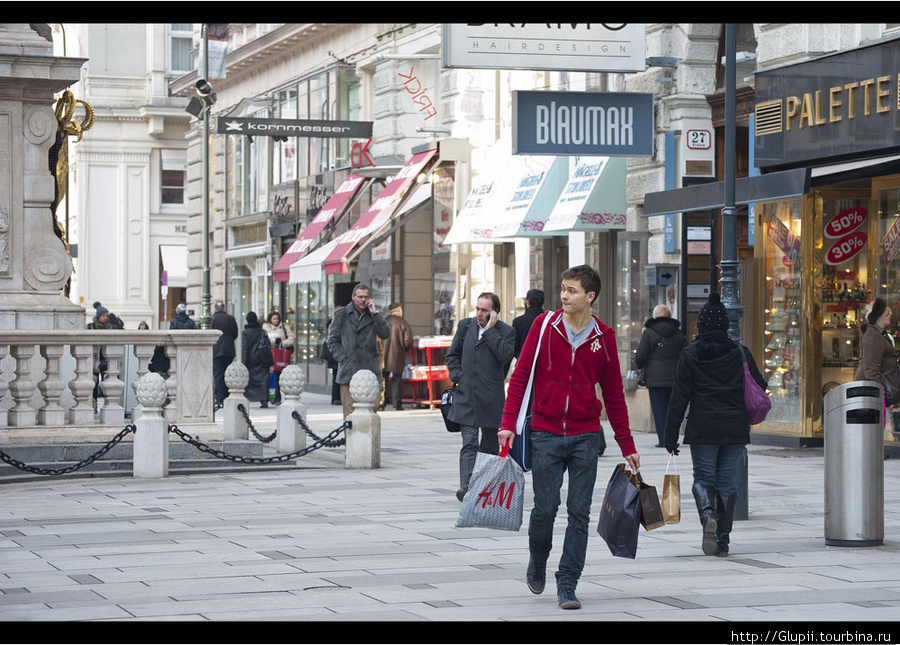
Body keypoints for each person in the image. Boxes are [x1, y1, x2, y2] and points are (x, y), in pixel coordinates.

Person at [498, 265, 640, 611]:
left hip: (585, 435)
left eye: (572, 290)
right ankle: (538, 557)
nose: (564, 296)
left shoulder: (603, 339)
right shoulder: (544, 327)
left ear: (590, 297)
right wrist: (507, 423)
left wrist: (627, 445)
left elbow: (615, 396)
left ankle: (568, 582)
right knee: (545, 509)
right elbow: (520, 377)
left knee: (579, 513)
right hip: (545, 432)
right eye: (563, 289)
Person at [664, 291, 766, 558]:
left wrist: (670, 434)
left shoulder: (691, 353)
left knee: (704, 478)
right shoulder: (739, 352)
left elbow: (678, 397)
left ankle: (708, 514)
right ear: (725, 325)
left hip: (703, 427)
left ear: (701, 325)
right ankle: (722, 540)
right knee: (726, 481)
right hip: (734, 427)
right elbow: (760, 385)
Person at [446, 292, 515, 502]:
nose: (478, 314)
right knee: (469, 442)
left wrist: (490, 331)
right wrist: (459, 376)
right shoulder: (465, 326)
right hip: (466, 396)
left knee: (490, 446)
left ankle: (484, 486)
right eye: (477, 309)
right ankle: (466, 487)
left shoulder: (506, 332)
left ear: (494, 312)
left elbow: (505, 356)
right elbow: (452, 356)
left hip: (490, 398)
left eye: (484, 310)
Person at [325, 284, 390, 419]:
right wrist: (343, 358)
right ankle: (350, 440)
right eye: (359, 297)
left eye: (365, 297)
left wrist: (375, 314)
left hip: (370, 370)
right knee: (350, 412)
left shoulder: (374, 315)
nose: (362, 300)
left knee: (373, 409)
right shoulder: (341, 314)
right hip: (349, 370)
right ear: (353, 297)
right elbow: (332, 341)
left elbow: (385, 334)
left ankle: (369, 440)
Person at [634, 304, 687, 447]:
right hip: (675, 377)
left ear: (655, 316)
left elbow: (641, 356)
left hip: (655, 378)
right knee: (673, 409)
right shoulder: (678, 334)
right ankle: (672, 438)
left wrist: (641, 366)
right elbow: (685, 355)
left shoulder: (649, 333)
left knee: (659, 410)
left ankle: (663, 439)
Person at [857, 297, 897, 407]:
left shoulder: (877, 335)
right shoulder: (873, 336)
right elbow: (871, 369)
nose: (890, 316)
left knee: (885, 423)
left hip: (876, 394)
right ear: (878, 316)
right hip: (872, 396)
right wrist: (881, 397)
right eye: (886, 314)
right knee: (883, 423)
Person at [383, 302, 414, 410]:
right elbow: (408, 341)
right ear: (398, 310)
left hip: (384, 356)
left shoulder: (384, 322)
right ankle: (397, 404)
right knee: (397, 380)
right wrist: (405, 349)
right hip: (397, 356)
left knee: (383, 380)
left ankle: (381, 403)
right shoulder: (403, 323)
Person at [241, 311, 272, 408]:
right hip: (262, 358)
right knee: (264, 379)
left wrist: (244, 362)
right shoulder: (262, 331)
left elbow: (245, 348)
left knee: (251, 380)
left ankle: (249, 397)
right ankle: (264, 400)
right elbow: (268, 345)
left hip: (251, 360)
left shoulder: (245, 333)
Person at [263, 310, 295, 404]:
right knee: (272, 376)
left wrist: (283, 343)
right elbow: (265, 339)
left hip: (281, 355)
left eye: (277, 318)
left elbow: (292, 337)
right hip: (271, 355)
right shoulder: (266, 327)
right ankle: (272, 397)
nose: (276, 320)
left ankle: (278, 397)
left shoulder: (284, 326)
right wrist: (274, 342)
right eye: (274, 319)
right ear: (270, 319)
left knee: (280, 376)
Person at [211, 301, 239, 409]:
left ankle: (219, 397)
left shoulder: (212, 319)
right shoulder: (230, 318)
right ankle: (227, 395)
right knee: (228, 373)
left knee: (218, 374)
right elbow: (235, 333)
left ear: (215, 309)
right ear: (223, 308)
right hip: (229, 350)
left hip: (216, 350)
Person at [512, 288, 544, 359]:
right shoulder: (549, 320)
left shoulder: (518, 322)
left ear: (528, 303)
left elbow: (514, 349)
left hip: (524, 363)